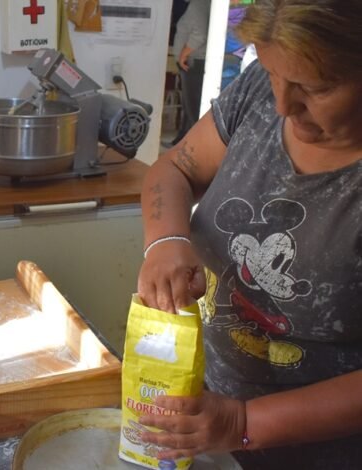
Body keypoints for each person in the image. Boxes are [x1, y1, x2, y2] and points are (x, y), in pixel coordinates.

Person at [136, 0, 362, 467]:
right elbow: (176, 168)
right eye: (274, 73)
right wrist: (165, 241)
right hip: (212, 421)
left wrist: (245, 423)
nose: (283, 105)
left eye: (314, 88)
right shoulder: (261, 90)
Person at [171, 0, 211, 145]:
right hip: (195, 60)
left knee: (193, 107)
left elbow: (200, 34)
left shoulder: (198, 4)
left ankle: (196, 146)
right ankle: (182, 140)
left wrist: (184, 54)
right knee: (188, 106)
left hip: (193, 61)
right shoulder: (203, 4)